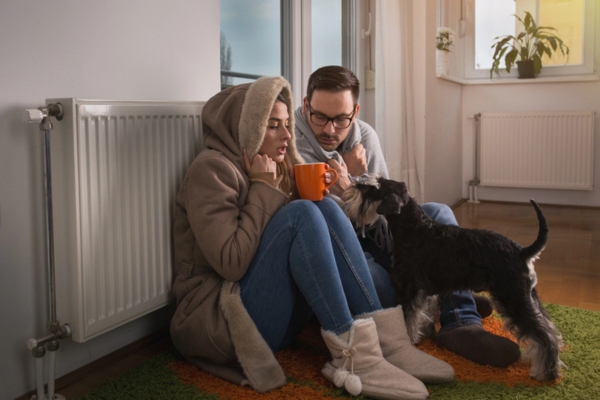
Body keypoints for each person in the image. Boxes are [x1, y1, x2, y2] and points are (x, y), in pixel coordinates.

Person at [169, 76, 454, 400]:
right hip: (222, 322)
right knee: (302, 214)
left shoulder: (277, 165)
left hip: (273, 315)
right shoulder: (212, 171)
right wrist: (263, 189)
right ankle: (354, 358)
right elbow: (231, 265)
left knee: (321, 206)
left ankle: (389, 344)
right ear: (244, 128)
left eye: (287, 124)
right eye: (273, 125)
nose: (287, 134)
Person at [295, 65, 522, 368]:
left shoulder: (365, 137)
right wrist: (347, 178)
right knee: (385, 289)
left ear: (356, 111)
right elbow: (317, 227)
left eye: (341, 119)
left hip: (376, 236)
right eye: (320, 116)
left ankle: (460, 321)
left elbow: (389, 220)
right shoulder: (294, 145)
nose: (329, 130)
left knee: (439, 212)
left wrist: (352, 185)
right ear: (306, 105)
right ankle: (444, 296)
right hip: (343, 254)